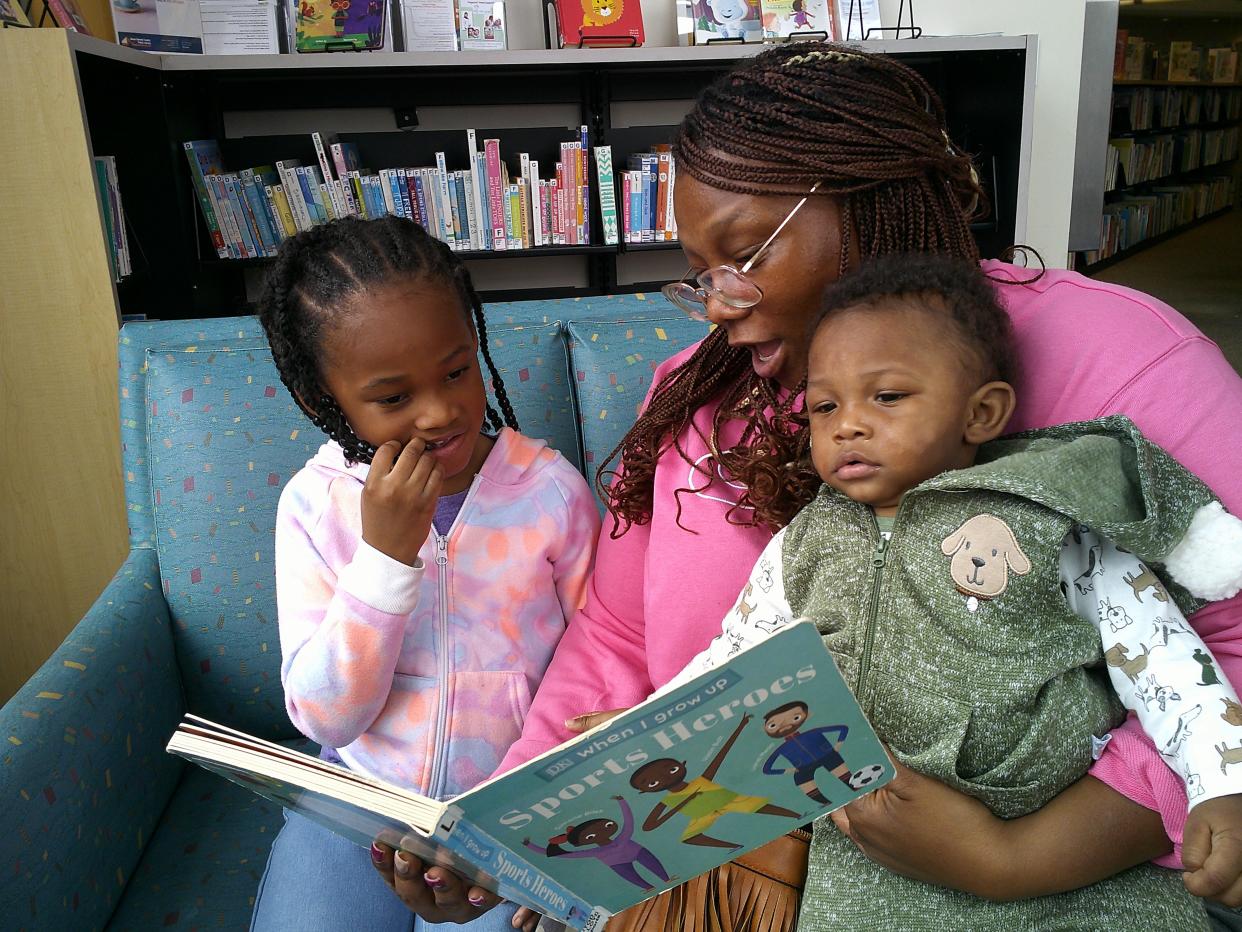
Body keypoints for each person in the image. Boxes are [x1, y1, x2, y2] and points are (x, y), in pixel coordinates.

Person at [371, 41, 1242, 928]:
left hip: (1061, 884)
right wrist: (518, 826)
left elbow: (1227, 652)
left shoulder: (1125, 362)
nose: (718, 305)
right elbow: (621, 638)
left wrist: (1013, 860)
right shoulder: (700, 389)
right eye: (703, 273)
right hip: (726, 865)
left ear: (875, 202)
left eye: (746, 254)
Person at [658, 252, 1242, 927]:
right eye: (824, 405)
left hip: (1067, 860)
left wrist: (1222, 785)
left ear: (982, 412)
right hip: (869, 864)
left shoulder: (1042, 522)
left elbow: (1165, 661)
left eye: (888, 396)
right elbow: (736, 662)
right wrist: (652, 734)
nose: (847, 423)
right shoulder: (805, 543)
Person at [248, 215, 600, 932]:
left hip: (506, 811)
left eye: (456, 370)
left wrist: (550, 818)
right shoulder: (314, 507)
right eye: (394, 397)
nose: (442, 412)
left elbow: (599, 661)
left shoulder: (550, 493)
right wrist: (383, 560)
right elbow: (324, 715)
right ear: (325, 401)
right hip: (358, 799)